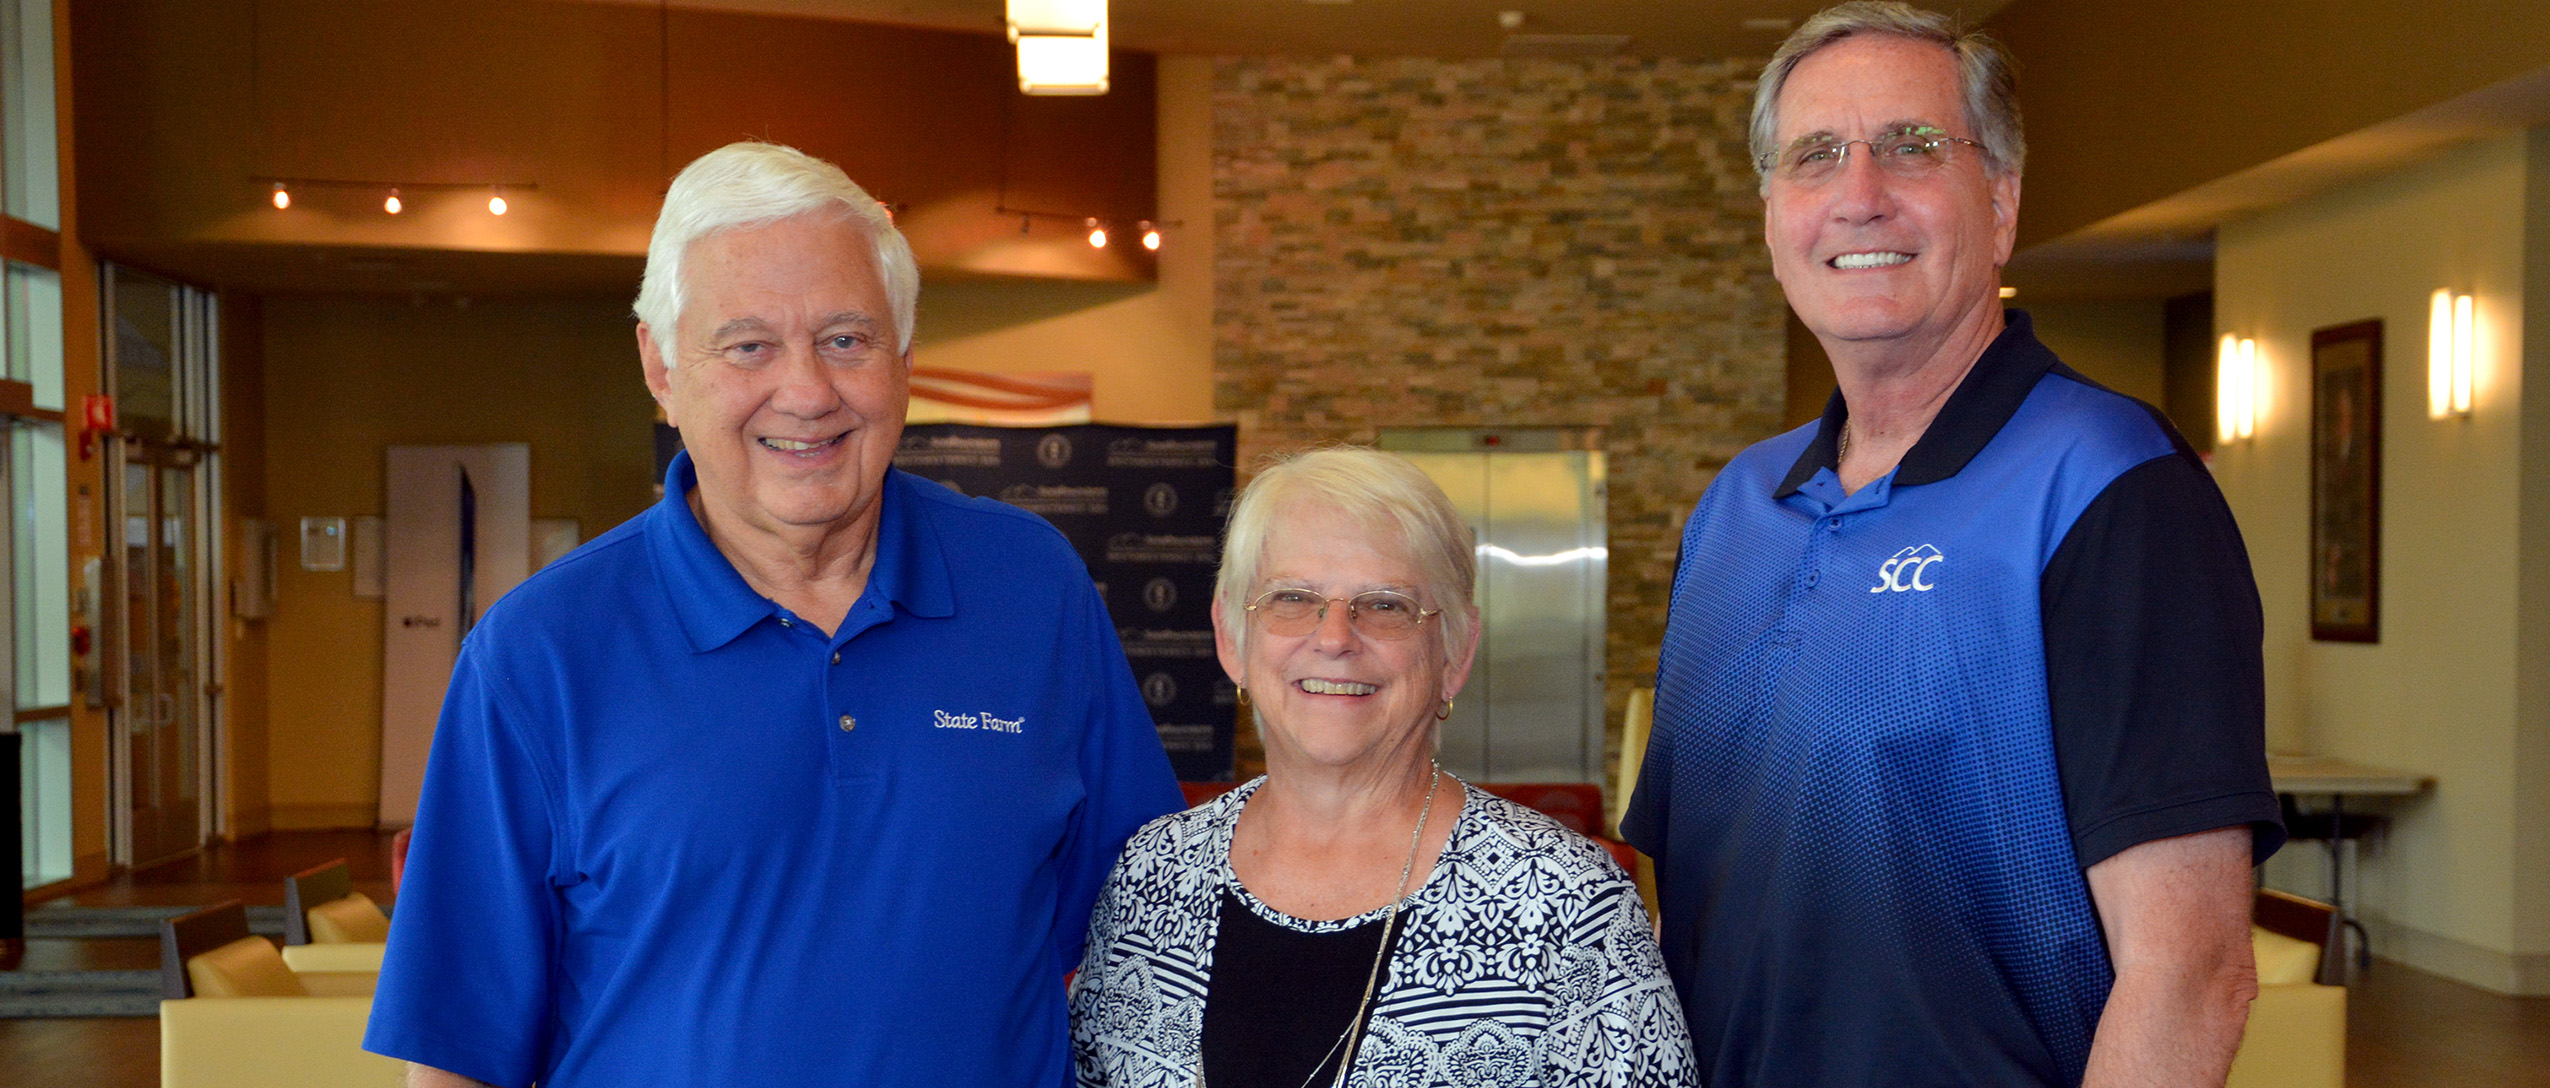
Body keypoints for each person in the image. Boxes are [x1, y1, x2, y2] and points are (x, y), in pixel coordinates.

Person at [363, 142, 1185, 1088]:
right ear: (661, 367)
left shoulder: (1031, 591)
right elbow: (457, 1055)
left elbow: (1146, 947)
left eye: (846, 338)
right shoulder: (535, 656)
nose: (807, 392)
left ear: (904, 358)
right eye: (748, 344)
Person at [1621, 4, 2285, 1086]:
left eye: (1914, 145)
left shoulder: (2106, 481)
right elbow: (1695, 906)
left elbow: (2192, 968)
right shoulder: (1735, 507)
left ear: (2003, 199)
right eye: (1816, 155)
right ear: (1773, 214)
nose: (1860, 191)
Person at [1072, 448, 1696, 1088]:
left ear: (1455, 651)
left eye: (1387, 604)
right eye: (1292, 597)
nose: (1336, 637)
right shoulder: (1152, 875)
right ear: (1232, 638)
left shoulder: (1567, 904)